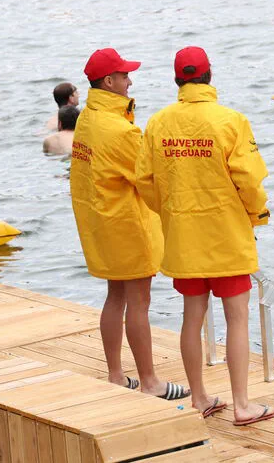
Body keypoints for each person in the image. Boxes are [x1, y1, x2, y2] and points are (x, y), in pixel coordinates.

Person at [135, 46, 274, 426]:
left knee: (191, 317)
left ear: (177, 79)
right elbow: (249, 180)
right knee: (237, 319)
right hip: (226, 233)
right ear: (210, 75)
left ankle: (199, 396)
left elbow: (144, 180)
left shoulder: (158, 122)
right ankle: (243, 404)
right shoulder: (231, 121)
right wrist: (255, 215)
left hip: (183, 234)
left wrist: (169, 210)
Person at [69, 48, 186, 400]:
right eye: (124, 76)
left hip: (99, 219)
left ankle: (116, 375)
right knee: (138, 301)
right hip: (127, 223)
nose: (130, 81)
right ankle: (150, 382)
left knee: (115, 295)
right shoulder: (119, 129)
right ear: (109, 81)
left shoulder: (87, 118)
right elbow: (149, 178)